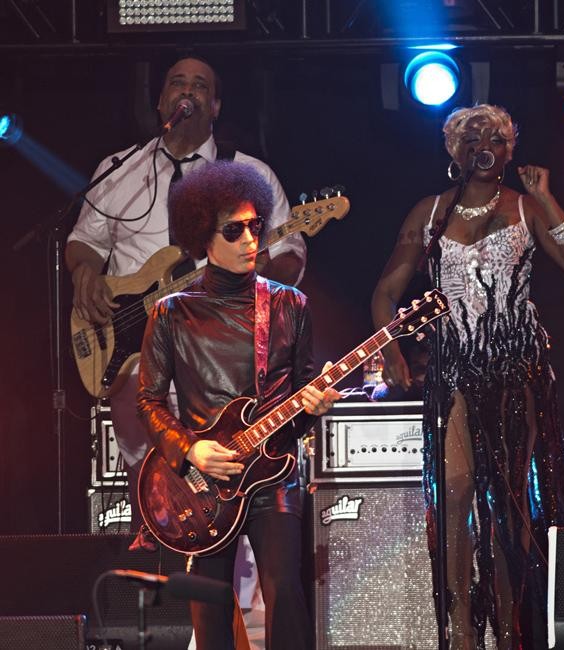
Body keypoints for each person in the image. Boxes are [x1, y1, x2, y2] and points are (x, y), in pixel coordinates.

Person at [371, 104, 564, 649]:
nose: (483, 145)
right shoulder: (430, 212)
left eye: (494, 137)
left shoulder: (524, 207)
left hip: (515, 371)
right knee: (454, 492)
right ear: (455, 151)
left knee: (508, 506)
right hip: (454, 369)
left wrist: (546, 197)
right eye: (471, 138)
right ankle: (461, 632)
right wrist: (390, 346)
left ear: (509, 149)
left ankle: (512, 630)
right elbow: (384, 294)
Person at [65, 56, 306, 541]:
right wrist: (85, 272)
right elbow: (83, 241)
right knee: (146, 462)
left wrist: (258, 272)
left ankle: (218, 558)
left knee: (225, 471)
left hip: (221, 351)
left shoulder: (249, 173)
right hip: (133, 345)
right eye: (177, 82)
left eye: (200, 85)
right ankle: (154, 549)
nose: (187, 90)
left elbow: (290, 255)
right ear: (161, 101)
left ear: (214, 106)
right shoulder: (118, 169)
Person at [137, 159, 339, 650]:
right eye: (234, 230)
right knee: (210, 612)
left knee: (285, 595)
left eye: (255, 226)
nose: (251, 240)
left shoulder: (290, 305)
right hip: (203, 484)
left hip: (273, 476)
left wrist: (314, 406)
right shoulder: (171, 312)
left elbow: (303, 391)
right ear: (203, 238)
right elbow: (148, 400)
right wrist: (190, 449)